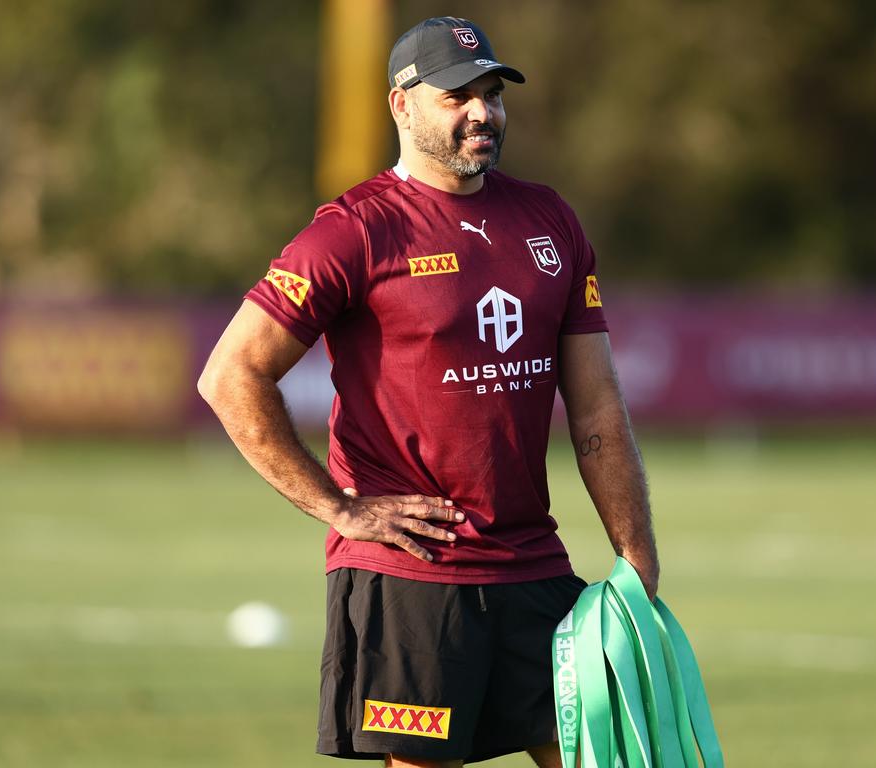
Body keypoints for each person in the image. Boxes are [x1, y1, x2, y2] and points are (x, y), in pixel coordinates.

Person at [198, 16, 659, 768]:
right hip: (411, 574)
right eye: (457, 95)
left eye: (491, 94)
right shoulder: (354, 232)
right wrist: (339, 508)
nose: (481, 111)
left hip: (533, 564)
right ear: (400, 105)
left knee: (604, 759)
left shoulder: (551, 221)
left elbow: (599, 408)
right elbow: (229, 375)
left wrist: (636, 560)